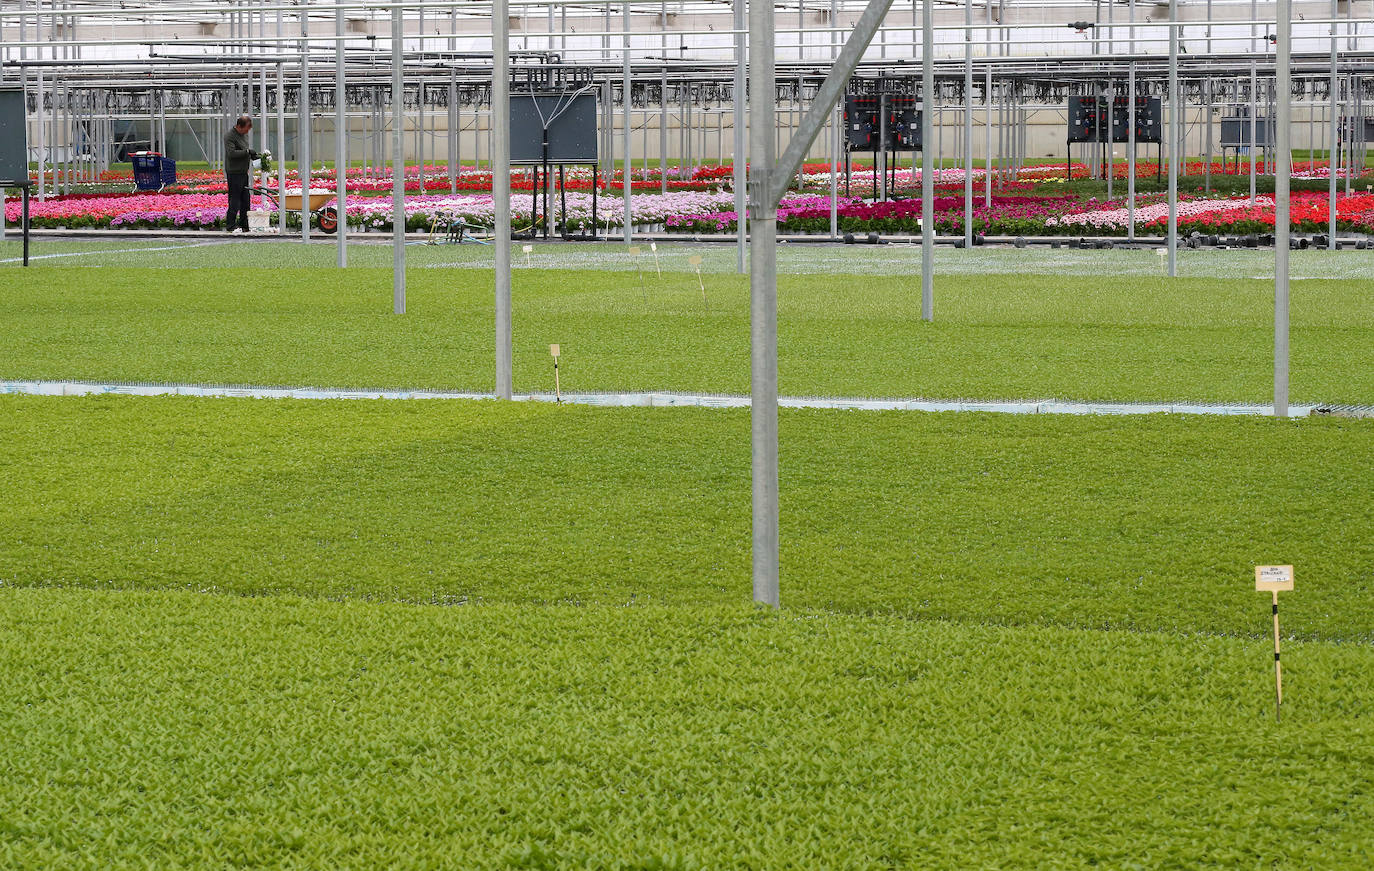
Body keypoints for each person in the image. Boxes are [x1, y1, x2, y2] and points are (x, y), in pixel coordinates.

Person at [223, 115, 259, 233]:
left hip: (243, 172)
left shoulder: (244, 135)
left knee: (245, 199)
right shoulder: (230, 136)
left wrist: (253, 156)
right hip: (234, 173)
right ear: (239, 126)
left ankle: (244, 224)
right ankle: (230, 224)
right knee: (235, 199)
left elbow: (244, 150)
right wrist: (247, 152)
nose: (247, 131)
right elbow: (232, 153)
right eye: (246, 129)